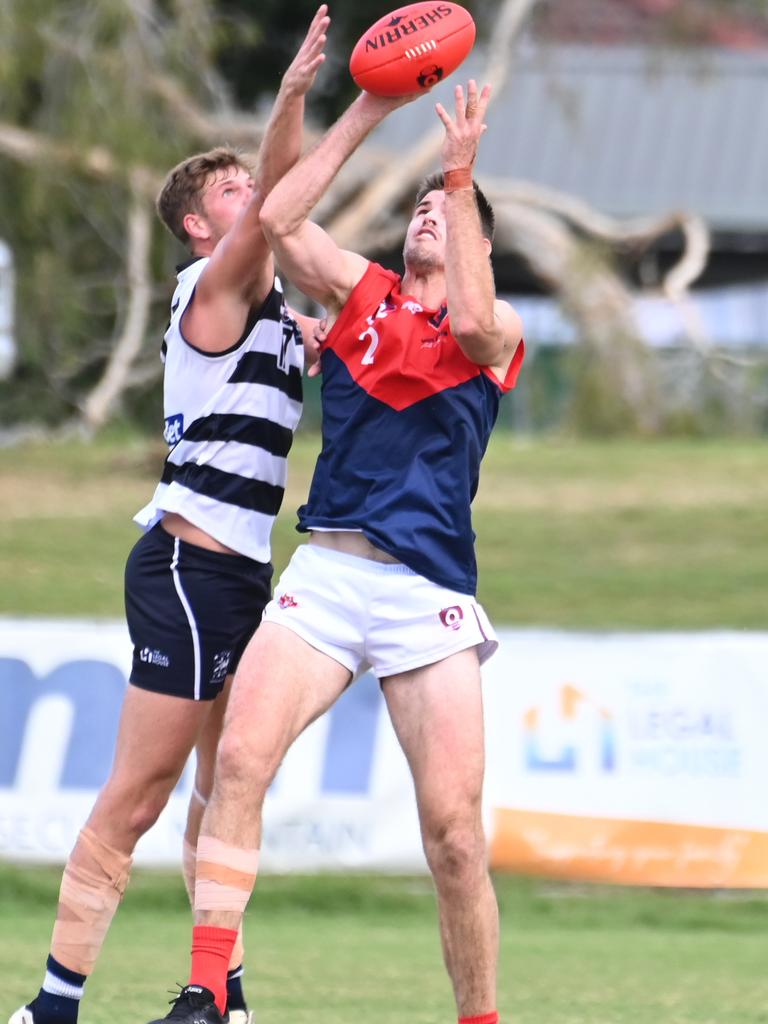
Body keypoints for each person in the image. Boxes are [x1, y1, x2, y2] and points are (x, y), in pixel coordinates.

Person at [147, 73, 524, 1024]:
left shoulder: (496, 327)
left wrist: (462, 173)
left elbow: (476, 324)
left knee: (451, 837)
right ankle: (208, 994)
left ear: (481, 239)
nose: (430, 217)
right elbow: (279, 217)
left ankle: (479, 1018)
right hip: (327, 572)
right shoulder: (362, 294)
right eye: (425, 207)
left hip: (428, 595)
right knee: (237, 762)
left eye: (449, 212)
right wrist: (354, 111)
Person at [8, 9, 329, 1024]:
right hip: (190, 573)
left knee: (224, 792)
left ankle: (219, 995)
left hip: (243, 577)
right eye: (230, 192)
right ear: (199, 226)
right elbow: (278, 210)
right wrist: (297, 101)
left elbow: (295, 239)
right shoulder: (213, 286)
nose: (250, 199)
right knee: (136, 796)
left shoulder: (275, 311)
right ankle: (52, 1007)